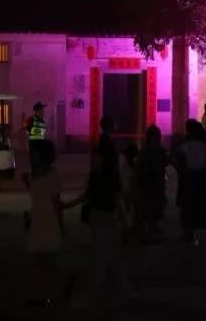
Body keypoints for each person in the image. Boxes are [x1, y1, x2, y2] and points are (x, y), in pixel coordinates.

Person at [70, 122, 133, 306]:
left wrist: (124, 221)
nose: (93, 161)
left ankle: (97, 290)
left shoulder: (107, 177)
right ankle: (121, 288)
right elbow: (88, 195)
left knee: (103, 254)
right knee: (107, 253)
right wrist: (67, 205)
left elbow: (116, 198)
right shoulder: (96, 175)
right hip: (98, 215)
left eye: (96, 158)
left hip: (106, 216)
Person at [23, 139, 66, 307]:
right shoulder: (34, 173)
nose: (32, 156)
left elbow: (56, 204)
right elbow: (36, 193)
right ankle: (48, 291)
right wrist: (27, 183)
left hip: (48, 221)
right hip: (37, 220)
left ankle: (50, 293)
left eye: (34, 153)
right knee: (38, 260)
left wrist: (61, 225)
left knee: (46, 261)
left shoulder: (52, 175)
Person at [136, 125, 168, 241]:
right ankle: (150, 231)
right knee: (152, 206)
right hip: (152, 183)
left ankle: (149, 230)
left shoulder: (148, 151)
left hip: (152, 182)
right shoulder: (153, 151)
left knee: (152, 206)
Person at [24, 101, 48, 166]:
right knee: (35, 163)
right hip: (33, 145)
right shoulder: (31, 120)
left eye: (43, 110)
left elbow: (43, 133)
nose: (43, 111)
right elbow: (26, 131)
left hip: (41, 144)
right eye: (41, 110)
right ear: (37, 111)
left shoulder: (43, 121)